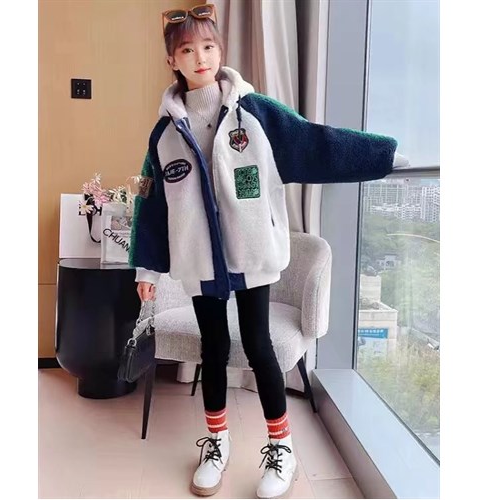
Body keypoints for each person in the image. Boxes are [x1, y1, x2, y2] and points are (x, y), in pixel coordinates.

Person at [129, 4, 398, 498]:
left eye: (208, 46)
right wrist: (147, 267)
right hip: (199, 260)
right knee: (213, 349)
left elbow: (316, 143)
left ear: (220, 51)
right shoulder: (164, 134)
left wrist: (384, 156)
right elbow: (153, 203)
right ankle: (217, 442)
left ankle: (281, 448)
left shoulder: (256, 113)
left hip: (252, 254)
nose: (200, 57)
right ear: (172, 60)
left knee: (258, 344)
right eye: (187, 50)